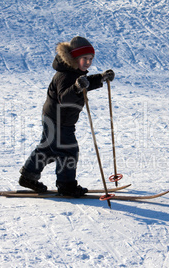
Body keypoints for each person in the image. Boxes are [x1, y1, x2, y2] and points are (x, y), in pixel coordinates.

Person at [18, 36, 115, 197]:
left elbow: (84, 82)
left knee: (49, 148)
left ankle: (28, 176)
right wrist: (77, 87)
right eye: (85, 58)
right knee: (68, 151)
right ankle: (66, 185)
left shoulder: (73, 72)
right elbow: (65, 97)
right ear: (74, 58)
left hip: (56, 119)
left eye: (91, 59)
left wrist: (100, 78)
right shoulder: (64, 75)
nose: (89, 62)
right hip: (59, 121)